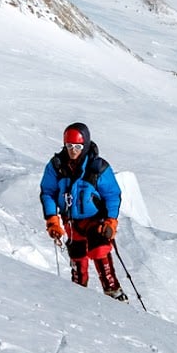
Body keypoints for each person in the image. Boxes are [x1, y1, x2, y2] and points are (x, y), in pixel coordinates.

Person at [40, 122, 127, 301]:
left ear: (85, 145)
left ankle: (113, 292)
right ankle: (78, 295)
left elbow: (112, 195)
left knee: (100, 250)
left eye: (78, 146)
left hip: (95, 219)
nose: (73, 150)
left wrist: (111, 220)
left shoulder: (98, 168)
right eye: (69, 146)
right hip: (71, 220)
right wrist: (52, 220)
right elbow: (48, 192)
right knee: (77, 257)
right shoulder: (56, 167)